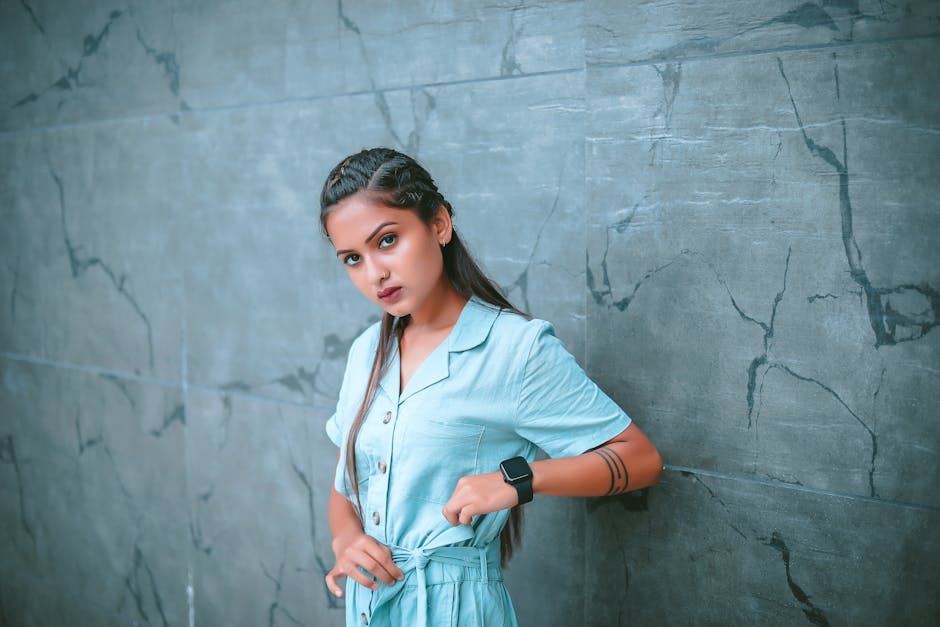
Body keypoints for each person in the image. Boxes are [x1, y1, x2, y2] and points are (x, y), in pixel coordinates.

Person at [320, 147, 663, 627]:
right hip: (368, 606)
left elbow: (640, 458)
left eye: (388, 240)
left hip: (457, 612)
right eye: (353, 258)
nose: (375, 273)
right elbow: (346, 484)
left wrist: (516, 481)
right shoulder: (365, 352)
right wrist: (346, 541)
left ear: (439, 224)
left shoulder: (514, 349)